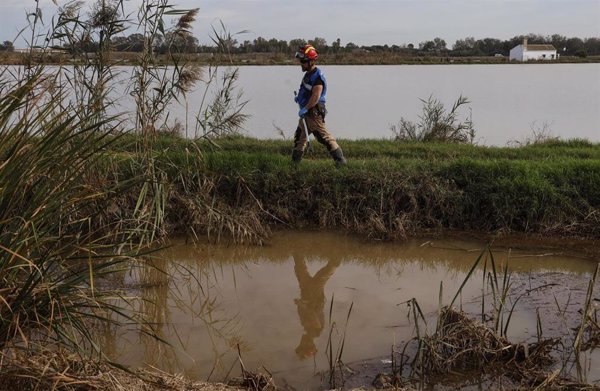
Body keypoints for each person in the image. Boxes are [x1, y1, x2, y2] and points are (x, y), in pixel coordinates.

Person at [293, 44, 347, 165]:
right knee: (299, 138)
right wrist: (300, 99)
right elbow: (307, 91)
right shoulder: (308, 74)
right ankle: (294, 165)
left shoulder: (317, 78)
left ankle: (340, 161)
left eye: (303, 61)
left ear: (311, 61)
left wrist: (305, 108)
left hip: (313, 112)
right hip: (306, 112)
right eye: (300, 60)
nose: (301, 63)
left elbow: (316, 96)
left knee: (325, 138)